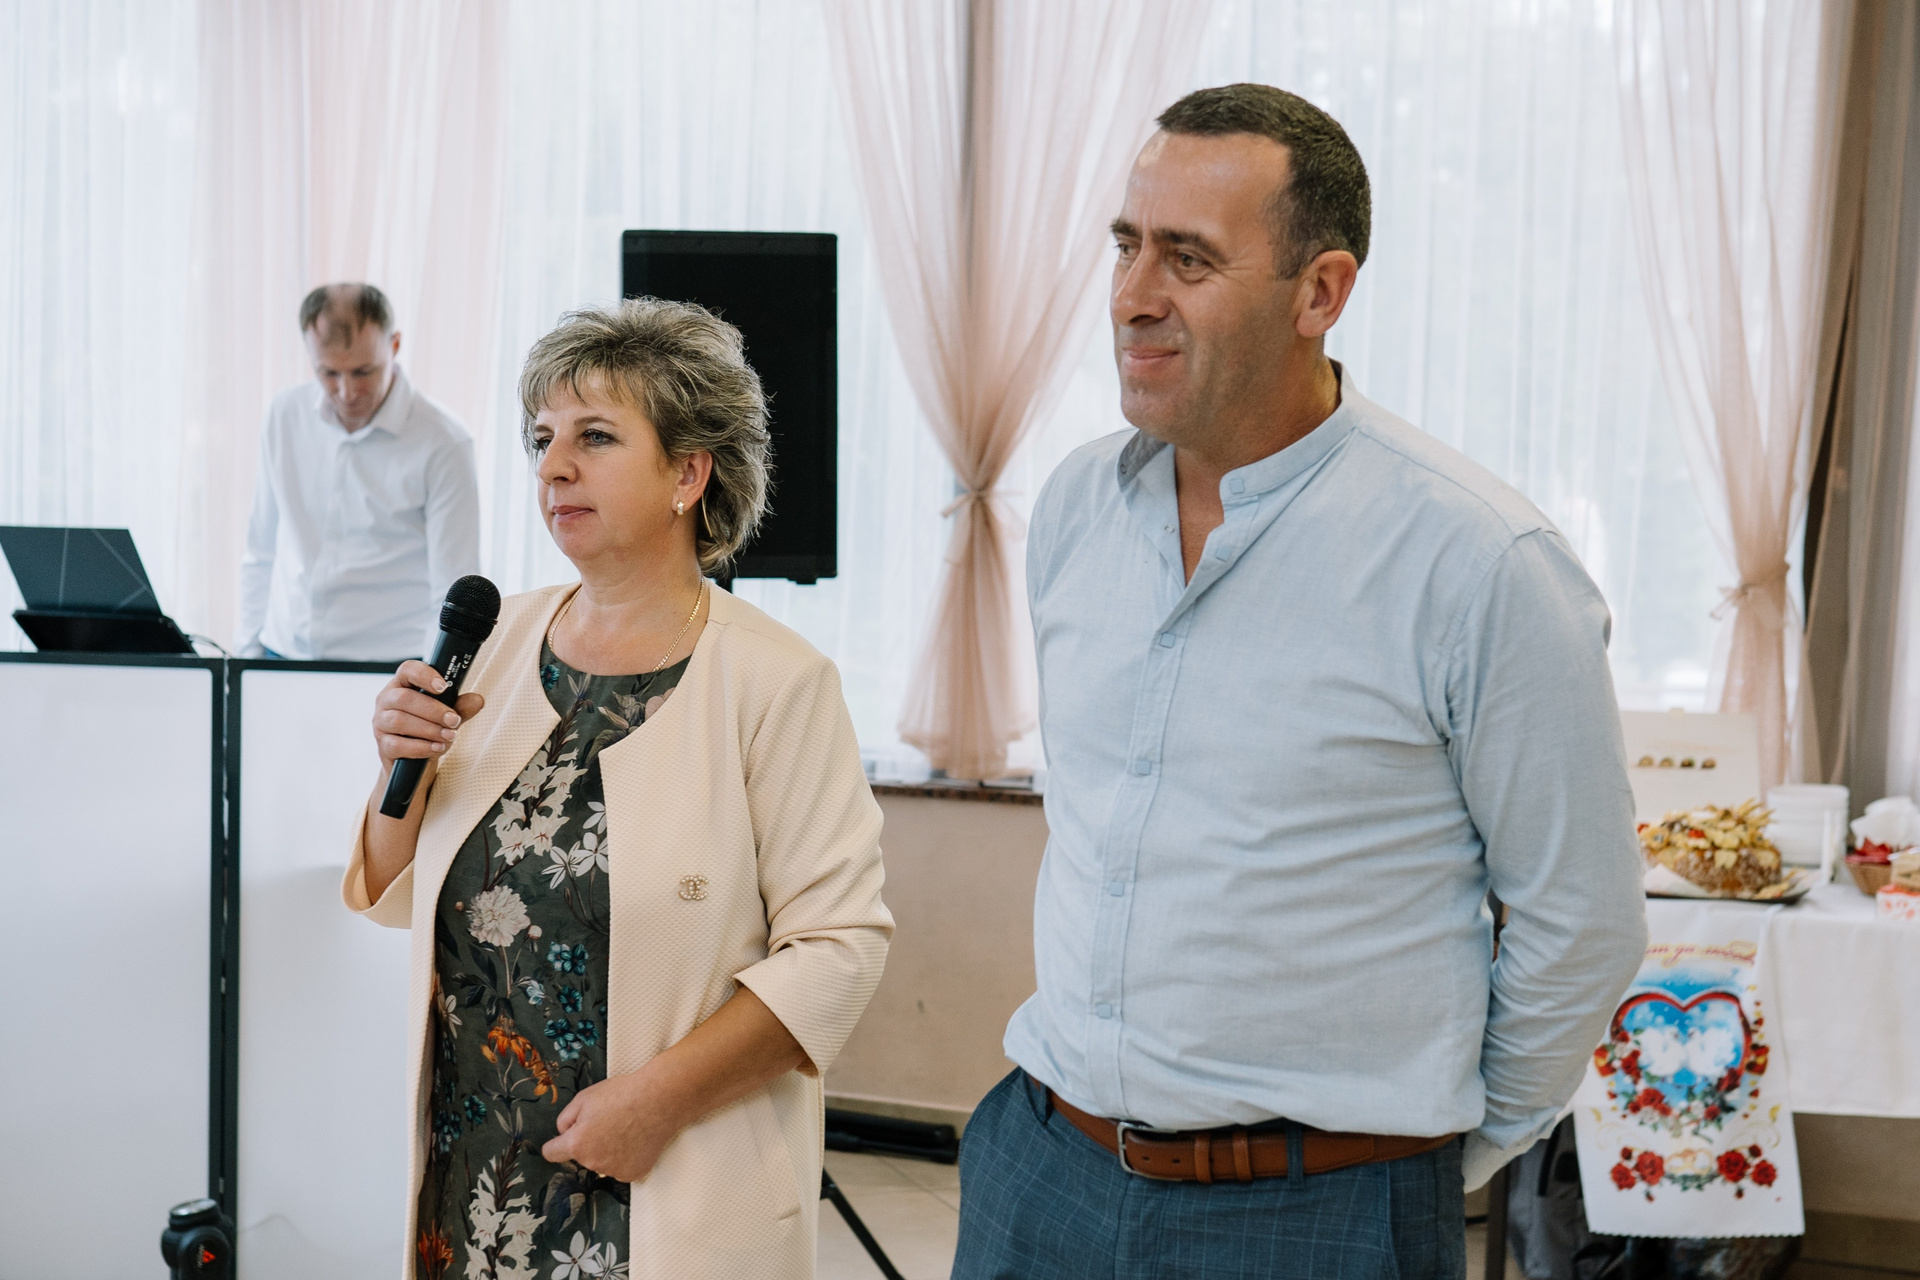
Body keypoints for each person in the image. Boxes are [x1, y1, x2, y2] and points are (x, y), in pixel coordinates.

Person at [951, 84, 1647, 1279]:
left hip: (1319, 1209)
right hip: (1043, 1170)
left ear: (1319, 292)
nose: (1132, 295)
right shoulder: (1073, 509)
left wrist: (1424, 1158)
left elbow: (1583, 922)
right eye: (1126, 245)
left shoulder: (1481, 564)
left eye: (1188, 258)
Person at [342, 299, 891, 1279]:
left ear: (688, 474)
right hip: (473, 1184)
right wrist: (401, 766)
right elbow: (394, 887)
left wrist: (658, 1101)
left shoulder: (776, 682)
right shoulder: (494, 641)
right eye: (543, 438)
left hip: (665, 1183)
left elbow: (840, 951)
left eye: (594, 437)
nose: (553, 466)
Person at [235, 283, 480, 661]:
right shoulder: (284, 416)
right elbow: (260, 549)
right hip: (280, 652)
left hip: (389, 666)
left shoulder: (445, 443)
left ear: (394, 345)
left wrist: (431, 681)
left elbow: (451, 587)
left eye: (363, 371)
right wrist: (244, 658)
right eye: (329, 373)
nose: (347, 391)